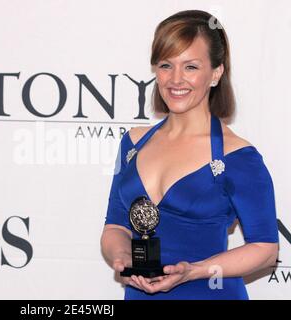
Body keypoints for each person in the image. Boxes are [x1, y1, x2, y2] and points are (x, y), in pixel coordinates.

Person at [100, 9, 279, 300]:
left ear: (216, 73)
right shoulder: (132, 142)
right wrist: (123, 258)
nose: (176, 79)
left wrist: (194, 270)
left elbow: (266, 249)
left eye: (191, 67)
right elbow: (115, 225)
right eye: (166, 65)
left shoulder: (239, 157)